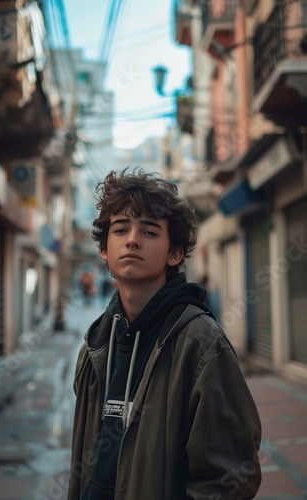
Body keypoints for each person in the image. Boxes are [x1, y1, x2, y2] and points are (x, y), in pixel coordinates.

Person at [67, 169, 262, 500]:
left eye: (149, 231)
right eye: (120, 229)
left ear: (174, 254)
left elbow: (232, 475)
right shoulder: (96, 343)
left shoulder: (201, 343)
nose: (132, 239)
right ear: (104, 249)